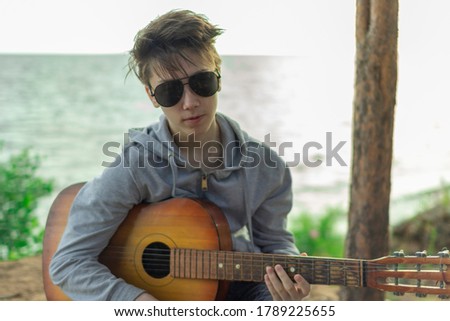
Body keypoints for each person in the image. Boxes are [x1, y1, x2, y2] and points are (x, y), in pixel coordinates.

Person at [49, 9, 310, 301]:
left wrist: (285, 285)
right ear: (151, 96)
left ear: (219, 78)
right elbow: (67, 264)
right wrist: (139, 303)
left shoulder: (266, 167)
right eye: (170, 92)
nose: (190, 102)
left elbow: (275, 243)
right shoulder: (135, 166)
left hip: (231, 285)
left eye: (202, 83)